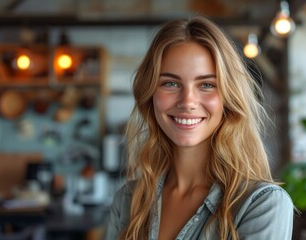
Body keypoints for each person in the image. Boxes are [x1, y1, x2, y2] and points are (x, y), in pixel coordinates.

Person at [104, 16, 293, 240]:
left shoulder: (262, 204)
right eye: (170, 83)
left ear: (228, 97)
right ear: (150, 94)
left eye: (206, 85)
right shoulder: (128, 200)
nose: (187, 102)